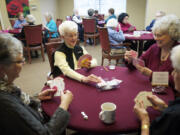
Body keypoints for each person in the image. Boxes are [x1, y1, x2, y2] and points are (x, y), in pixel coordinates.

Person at [0, 33, 73, 135]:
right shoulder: (6, 105)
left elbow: (19, 101)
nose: (24, 63)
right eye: (20, 61)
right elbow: (46, 133)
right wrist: (64, 105)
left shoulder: (6, 87)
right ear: (2, 68)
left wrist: (37, 97)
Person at [134, 44, 180, 135]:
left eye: (176, 71)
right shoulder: (175, 110)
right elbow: (140, 61)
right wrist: (164, 108)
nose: (173, 74)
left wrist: (145, 121)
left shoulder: (175, 115)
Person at [124, 14, 180, 88]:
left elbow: (176, 81)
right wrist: (131, 60)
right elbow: (140, 64)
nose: (155, 39)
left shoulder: (178, 53)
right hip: (152, 90)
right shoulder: (154, 48)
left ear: (172, 35)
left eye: (159, 35)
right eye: (155, 35)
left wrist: (152, 75)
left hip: (171, 95)